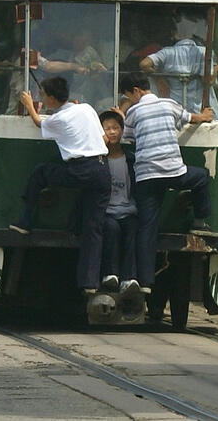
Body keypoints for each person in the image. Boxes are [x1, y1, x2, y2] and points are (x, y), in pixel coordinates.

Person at [9, 76, 111, 294]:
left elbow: (38, 122)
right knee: (93, 229)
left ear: (53, 99)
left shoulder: (59, 119)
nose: (42, 99)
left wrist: (29, 106)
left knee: (41, 173)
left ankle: (26, 221)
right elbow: (103, 138)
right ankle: (90, 283)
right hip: (102, 169)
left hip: (79, 169)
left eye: (44, 95)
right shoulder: (86, 108)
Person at [120, 73, 215, 292]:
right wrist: (204, 115)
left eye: (129, 96)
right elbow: (192, 119)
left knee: (147, 228)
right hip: (173, 171)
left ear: (136, 91)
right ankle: (200, 221)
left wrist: (122, 112)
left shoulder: (133, 112)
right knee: (200, 177)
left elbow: (127, 136)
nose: (130, 100)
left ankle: (145, 282)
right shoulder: (169, 104)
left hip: (146, 176)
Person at [140, 14, 218, 118]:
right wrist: (217, 68)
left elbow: (144, 64)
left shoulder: (167, 52)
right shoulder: (204, 52)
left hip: (176, 112)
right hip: (200, 111)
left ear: (175, 34)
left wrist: (158, 78)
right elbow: (209, 80)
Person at [97, 109, 143, 296]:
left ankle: (129, 278)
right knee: (112, 230)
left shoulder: (130, 158)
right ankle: (110, 273)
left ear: (122, 130)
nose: (112, 132)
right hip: (107, 212)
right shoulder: (98, 158)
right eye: (107, 129)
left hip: (128, 210)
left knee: (132, 230)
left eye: (116, 128)